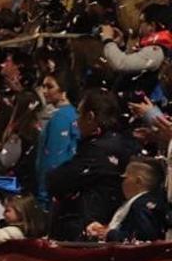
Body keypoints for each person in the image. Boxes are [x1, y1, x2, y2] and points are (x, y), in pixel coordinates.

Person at [47, 89, 139, 241]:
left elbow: (57, 181)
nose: (76, 121)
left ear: (90, 117)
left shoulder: (98, 150)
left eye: (79, 114)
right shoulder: (123, 144)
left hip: (89, 230)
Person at [85, 158, 167, 243]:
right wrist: (104, 230)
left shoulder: (141, 206)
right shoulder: (149, 202)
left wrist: (109, 234)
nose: (122, 183)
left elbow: (143, 239)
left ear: (138, 181)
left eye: (125, 178)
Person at [35, 69, 78, 206]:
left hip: (53, 193)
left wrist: (44, 193)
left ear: (63, 90)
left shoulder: (60, 118)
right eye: (43, 86)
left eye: (50, 86)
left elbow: (53, 157)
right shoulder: (73, 114)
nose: (45, 91)